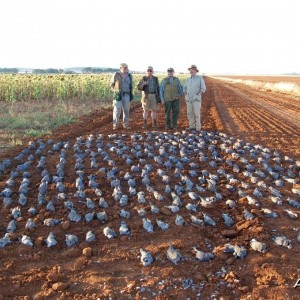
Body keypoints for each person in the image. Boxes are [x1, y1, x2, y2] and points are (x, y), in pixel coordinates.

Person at [110, 63, 134, 130]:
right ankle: (115, 125)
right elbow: (111, 85)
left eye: (126, 67)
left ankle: (126, 124)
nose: (126, 68)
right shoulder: (116, 75)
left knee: (126, 110)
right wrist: (115, 91)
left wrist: (131, 93)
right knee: (117, 110)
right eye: (124, 67)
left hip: (127, 94)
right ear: (120, 68)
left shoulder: (129, 75)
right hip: (118, 95)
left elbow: (131, 85)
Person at [183, 65, 206, 132]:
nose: (191, 71)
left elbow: (203, 88)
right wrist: (185, 93)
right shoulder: (187, 79)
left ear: (196, 71)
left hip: (196, 99)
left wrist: (198, 94)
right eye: (190, 70)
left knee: (197, 114)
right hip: (188, 99)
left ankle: (198, 128)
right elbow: (184, 88)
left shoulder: (200, 78)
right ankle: (191, 127)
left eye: (193, 70)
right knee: (189, 113)